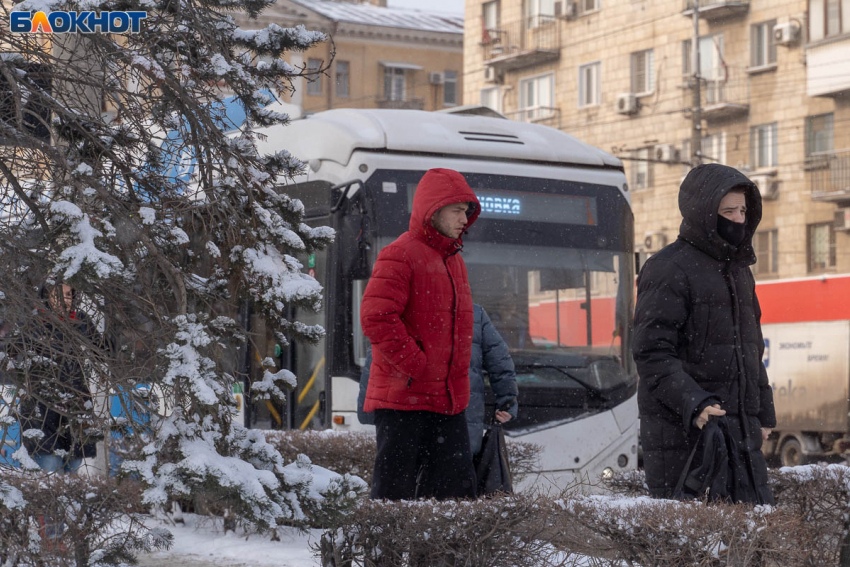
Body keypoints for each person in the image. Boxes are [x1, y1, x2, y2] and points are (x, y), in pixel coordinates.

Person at [633, 163, 776, 504]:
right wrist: (694, 403)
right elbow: (652, 353)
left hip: (740, 436)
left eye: (743, 210)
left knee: (745, 548)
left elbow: (749, 352)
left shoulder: (740, 272)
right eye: (728, 211)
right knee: (697, 552)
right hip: (689, 439)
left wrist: (763, 412)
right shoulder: (668, 267)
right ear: (704, 212)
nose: (738, 219)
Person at [360, 168, 480, 501]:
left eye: (467, 210)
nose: (463, 218)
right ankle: (384, 555)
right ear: (433, 209)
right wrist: (418, 365)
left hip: (446, 402)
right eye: (456, 209)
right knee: (395, 499)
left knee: (455, 498)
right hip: (404, 401)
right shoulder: (400, 253)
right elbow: (376, 317)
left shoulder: (454, 260)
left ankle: (436, 556)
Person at [358, 303, 518, 456]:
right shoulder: (473, 313)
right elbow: (500, 362)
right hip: (459, 420)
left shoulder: (400, 313)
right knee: (454, 475)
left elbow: (376, 364)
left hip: (408, 417)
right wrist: (507, 404)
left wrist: (369, 411)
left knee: (406, 474)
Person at [14, 283, 99, 473]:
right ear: (46, 295)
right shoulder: (34, 322)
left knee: (74, 468)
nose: (64, 300)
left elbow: (103, 351)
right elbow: (13, 355)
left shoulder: (80, 321)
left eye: (68, 294)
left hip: (75, 405)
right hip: (41, 407)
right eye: (58, 294)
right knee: (49, 467)